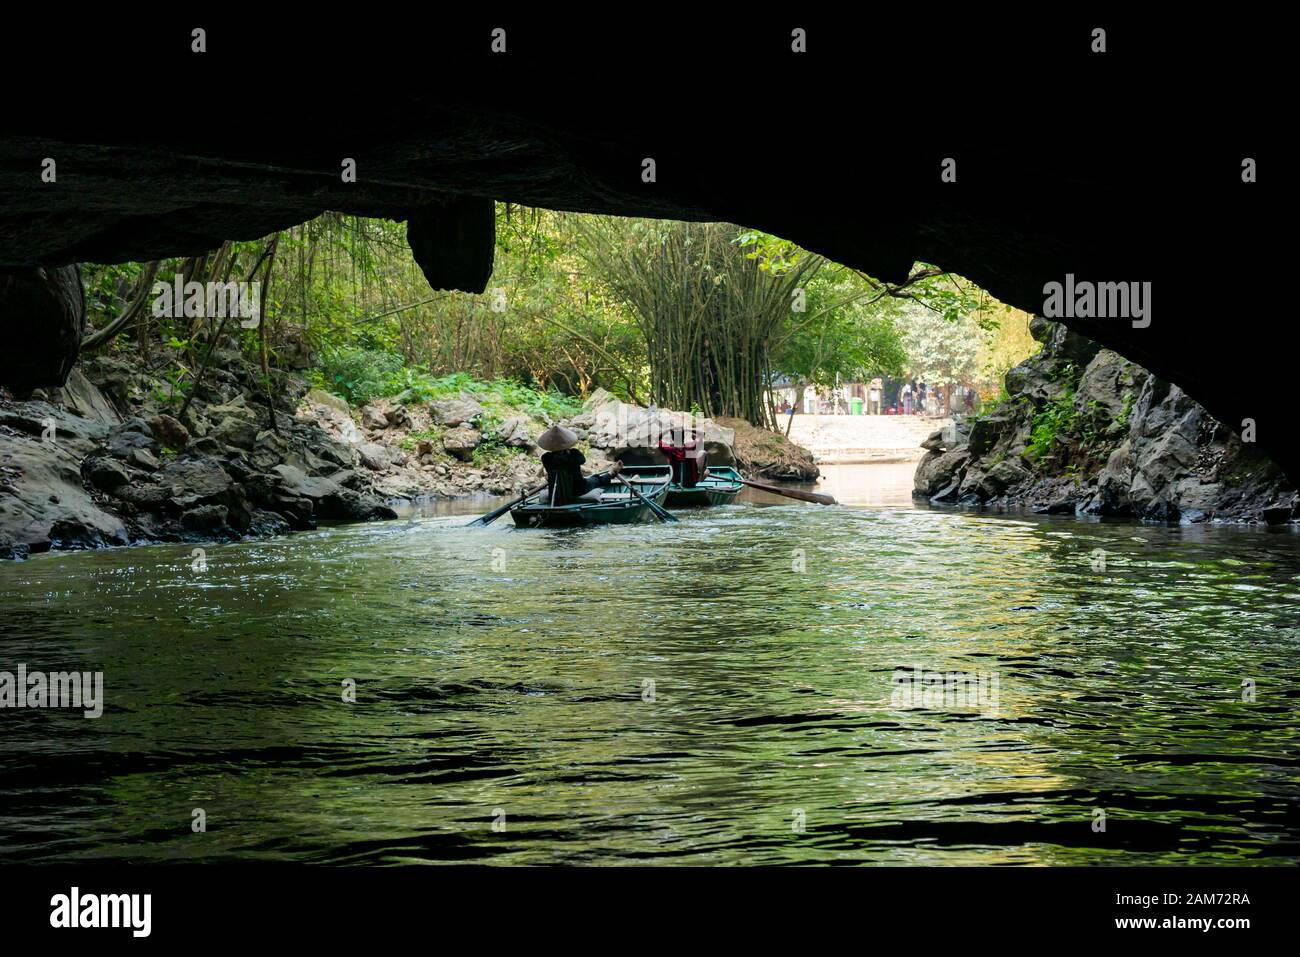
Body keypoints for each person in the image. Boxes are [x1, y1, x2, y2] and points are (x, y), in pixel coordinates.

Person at [537, 424, 622, 505]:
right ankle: (611, 473)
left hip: (555, 493)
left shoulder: (546, 458)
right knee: (596, 479)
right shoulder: (574, 454)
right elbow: (582, 460)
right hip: (579, 489)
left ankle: (610, 473)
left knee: (590, 479)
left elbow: (559, 463)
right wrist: (568, 452)